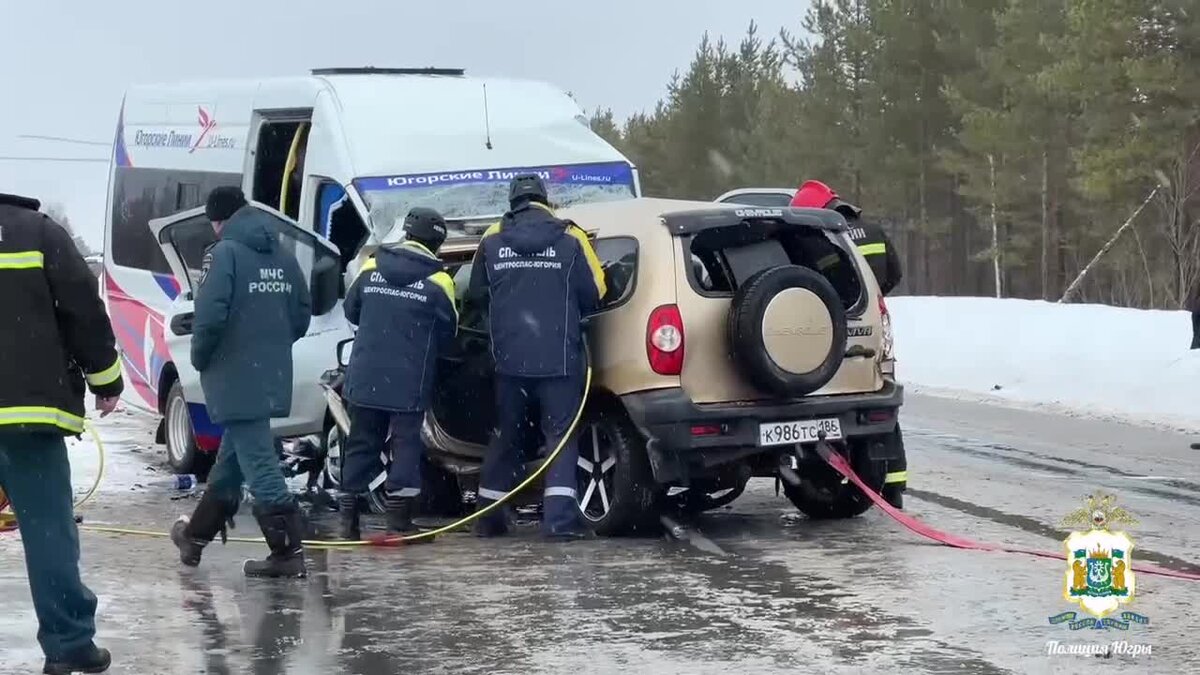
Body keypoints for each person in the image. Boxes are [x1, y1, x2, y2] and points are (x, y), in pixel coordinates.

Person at [0, 192, 122, 674]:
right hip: (29, 413)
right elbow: (83, 310)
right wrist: (106, 378)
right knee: (48, 531)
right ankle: (69, 642)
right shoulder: (39, 232)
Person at [170, 187, 313, 578]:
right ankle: (194, 538)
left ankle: (287, 553)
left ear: (220, 221)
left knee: (260, 462)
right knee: (233, 460)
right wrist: (269, 341)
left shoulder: (224, 253)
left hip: (234, 373)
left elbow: (210, 315)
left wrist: (200, 356)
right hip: (271, 371)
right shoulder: (282, 255)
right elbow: (302, 314)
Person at [466, 175, 607, 540]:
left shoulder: (492, 239)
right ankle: (558, 523)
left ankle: (490, 518)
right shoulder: (571, 238)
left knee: (506, 436)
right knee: (559, 437)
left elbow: (476, 292)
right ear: (545, 200)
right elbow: (597, 291)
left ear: (513, 201)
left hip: (509, 360)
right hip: (559, 359)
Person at [338, 207, 457, 540]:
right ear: (437, 242)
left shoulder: (372, 264)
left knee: (361, 444)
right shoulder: (439, 280)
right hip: (408, 380)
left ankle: (348, 522)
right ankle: (399, 522)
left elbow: (351, 310)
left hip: (365, 374)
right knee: (405, 447)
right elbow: (450, 333)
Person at [790, 180, 904, 296]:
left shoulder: (821, 241)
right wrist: (874, 297)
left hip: (835, 310)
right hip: (872, 309)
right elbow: (894, 275)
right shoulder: (874, 230)